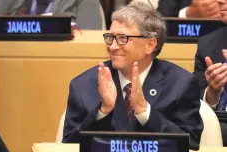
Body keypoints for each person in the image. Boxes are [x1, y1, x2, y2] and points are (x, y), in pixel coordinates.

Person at [63, 1, 203, 150]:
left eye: (123, 38)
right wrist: (103, 111)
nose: (113, 47)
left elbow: (190, 144)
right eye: (110, 37)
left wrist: (145, 112)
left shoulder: (181, 84)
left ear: (150, 45)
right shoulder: (83, 86)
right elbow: (69, 145)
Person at [193, 0, 227, 146]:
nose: (219, 1)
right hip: (218, 127)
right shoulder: (208, 44)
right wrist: (213, 92)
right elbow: (194, 99)